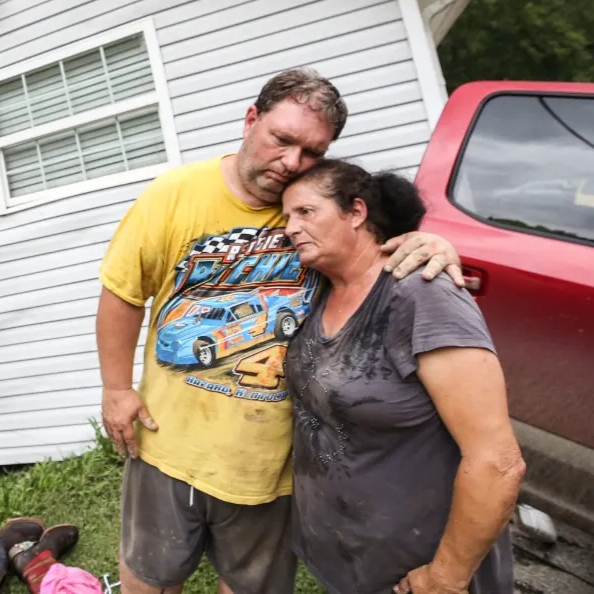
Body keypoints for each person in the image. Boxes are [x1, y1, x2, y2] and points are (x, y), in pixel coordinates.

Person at [96, 68, 465, 594]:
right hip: (169, 442)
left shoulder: (317, 211)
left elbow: (382, 235)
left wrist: (433, 243)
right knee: (149, 576)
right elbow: (122, 294)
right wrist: (116, 388)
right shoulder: (175, 193)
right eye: (282, 139)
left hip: (274, 461)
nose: (292, 162)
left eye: (312, 152)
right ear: (251, 120)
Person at [282, 159, 525, 594]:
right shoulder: (317, 291)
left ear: (357, 212)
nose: (290, 228)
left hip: (417, 574)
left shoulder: (421, 293)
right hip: (348, 561)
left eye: (305, 212)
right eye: (286, 217)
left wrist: (444, 578)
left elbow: (498, 462)